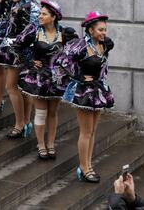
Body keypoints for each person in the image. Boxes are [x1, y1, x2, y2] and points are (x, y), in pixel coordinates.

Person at [53, 11, 114, 182]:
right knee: (86, 132)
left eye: (105, 30)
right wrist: (78, 76)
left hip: (99, 90)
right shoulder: (81, 46)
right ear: (90, 30)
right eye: (100, 30)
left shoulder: (104, 44)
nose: (104, 33)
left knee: (93, 131)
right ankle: (83, 167)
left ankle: (89, 164)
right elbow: (62, 61)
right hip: (84, 92)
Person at [16, 0, 78, 159]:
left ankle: (51, 144)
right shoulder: (34, 31)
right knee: (41, 112)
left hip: (57, 79)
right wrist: (29, 61)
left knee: (53, 112)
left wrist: (67, 68)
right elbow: (17, 45)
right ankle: (40, 144)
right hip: (39, 78)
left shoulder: (65, 33)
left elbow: (75, 53)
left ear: (53, 17)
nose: (40, 16)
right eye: (40, 13)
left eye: (44, 14)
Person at [0, 0, 40, 138]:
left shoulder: (32, 8)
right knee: (22, 88)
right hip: (15, 50)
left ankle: (20, 123)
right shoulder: (17, 5)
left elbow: (32, 31)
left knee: (11, 87)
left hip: (21, 52)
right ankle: (25, 121)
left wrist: (19, 49)